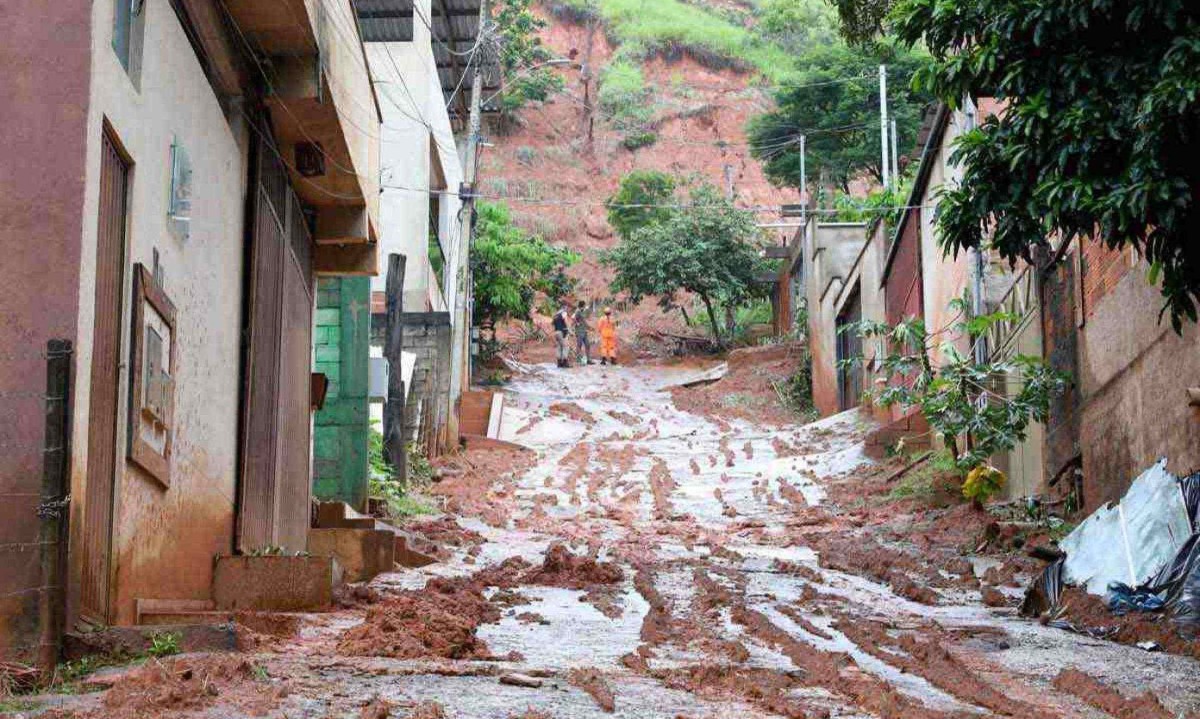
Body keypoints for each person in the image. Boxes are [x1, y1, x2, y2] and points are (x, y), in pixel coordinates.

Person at [552, 302, 571, 368]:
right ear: (564, 307)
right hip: (562, 332)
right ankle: (565, 362)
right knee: (566, 346)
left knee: (559, 347)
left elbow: (552, 324)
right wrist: (569, 330)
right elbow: (565, 321)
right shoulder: (564, 313)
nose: (567, 309)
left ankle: (559, 363)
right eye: (567, 308)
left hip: (556, 332)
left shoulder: (555, 315)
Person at [572, 301, 592, 365]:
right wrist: (577, 323)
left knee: (587, 345)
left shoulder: (582, 311)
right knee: (579, 345)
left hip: (584, 331)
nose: (585, 306)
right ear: (583, 305)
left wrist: (589, 327)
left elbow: (584, 320)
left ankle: (588, 360)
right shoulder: (577, 311)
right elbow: (573, 317)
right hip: (579, 331)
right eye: (584, 305)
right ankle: (578, 359)